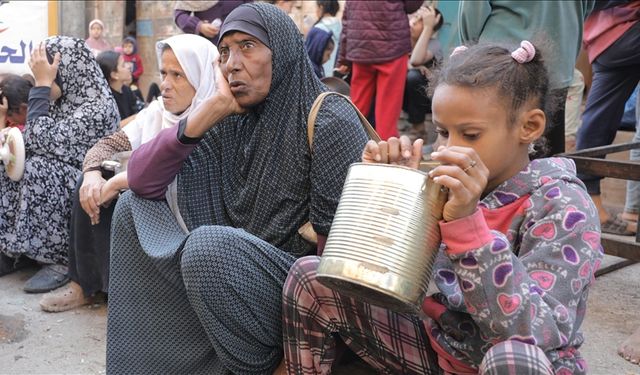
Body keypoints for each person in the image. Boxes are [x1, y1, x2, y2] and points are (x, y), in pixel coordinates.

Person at [282, 41, 603, 375]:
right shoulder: (444, 187)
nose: (448, 149)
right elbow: (393, 282)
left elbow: (538, 332)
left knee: (512, 359)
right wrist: (394, 194)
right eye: (443, 132)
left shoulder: (563, 207)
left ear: (529, 127)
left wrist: (468, 226)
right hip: (439, 352)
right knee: (311, 277)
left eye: (471, 134)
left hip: (516, 362)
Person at [106, 3, 368, 374]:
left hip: (299, 292)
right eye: (225, 51)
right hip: (225, 273)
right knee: (133, 207)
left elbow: (336, 262)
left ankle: (255, 365)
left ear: (283, 51)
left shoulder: (328, 117)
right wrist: (207, 110)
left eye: (248, 46)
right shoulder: (231, 120)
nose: (232, 63)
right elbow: (143, 180)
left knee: (208, 248)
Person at [37, 34, 218, 313]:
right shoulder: (156, 113)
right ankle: (86, 285)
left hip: (191, 223)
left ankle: (128, 294)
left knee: (129, 197)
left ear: (201, 76)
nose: (166, 85)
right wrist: (92, 174)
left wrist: (124, 181)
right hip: (150, 198)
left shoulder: (217, 119)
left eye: (178, 75)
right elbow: (107, 144)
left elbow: (172, 171)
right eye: (163, 74)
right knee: (89, 186)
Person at [0, 36, 119, 290]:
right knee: (8, 164)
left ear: (69, 70)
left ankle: (59, 259)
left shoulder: (99, 106)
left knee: (38, 168)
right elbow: (29, 142)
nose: (45, 79)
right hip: (62, 174)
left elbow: (39, 140)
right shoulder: (61, 102)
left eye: (52, 74)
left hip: (88, 181)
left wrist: (42, 86)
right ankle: (16, 250)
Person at [459, 1, 595, 157]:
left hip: (500, 65)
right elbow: (586, 7)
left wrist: (470, 57)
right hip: (558, 63)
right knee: (546, 153)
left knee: (488, 151)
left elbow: (472, 13)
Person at [574, 1, 640, 235]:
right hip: (620, 34)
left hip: (604, 40)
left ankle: (592, 202)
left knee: (598, 119)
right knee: (598, 120)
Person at [336, 0, 423, 141]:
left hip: (361, 46)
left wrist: (343, 57)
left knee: (358, 108)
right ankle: (384, 154)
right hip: (392, 45)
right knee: (387, 114)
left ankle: (349, 148)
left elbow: (347, 18)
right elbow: (412, 5)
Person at [403, 5, 443, 143]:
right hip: (403, 99)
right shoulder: (400, 41)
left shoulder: (434, 44)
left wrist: (428, 28)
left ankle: (418, 129)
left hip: (427, 100)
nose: (413, 22)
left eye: (421, 20)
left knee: (413, 76)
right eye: (415, 17)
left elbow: (415, 60)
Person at [174, 0, 249, 45]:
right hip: (210, 44)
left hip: (240, 40)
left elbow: (250, 8)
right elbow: (180, 15)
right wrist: (199, 26)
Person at [96, 50, 140, 126]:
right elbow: (113, 128)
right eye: (123, 65)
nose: (128, 66)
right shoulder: (105, 100)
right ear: (114, 75)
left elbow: (138, 109)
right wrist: (139, 116)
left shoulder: (126, 90)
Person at [314, 0, 341, 78]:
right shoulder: (342, 27)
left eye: (316, 8)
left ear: (321, 8)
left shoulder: (318, 29)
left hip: (320, 76)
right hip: (336, 77)